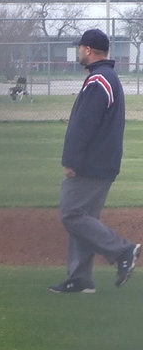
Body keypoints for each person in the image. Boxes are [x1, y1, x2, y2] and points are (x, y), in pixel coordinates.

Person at [49, 28, 140, 293]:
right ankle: (80, 278)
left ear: (88, 50)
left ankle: (123, 250)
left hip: (92, 164)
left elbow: (84, 125)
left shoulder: (99, 80)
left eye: (80, 47)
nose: (78, 50)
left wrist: (72, 160)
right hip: (102, 162)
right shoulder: (106, 77)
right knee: (84, 216)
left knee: (72, 213)